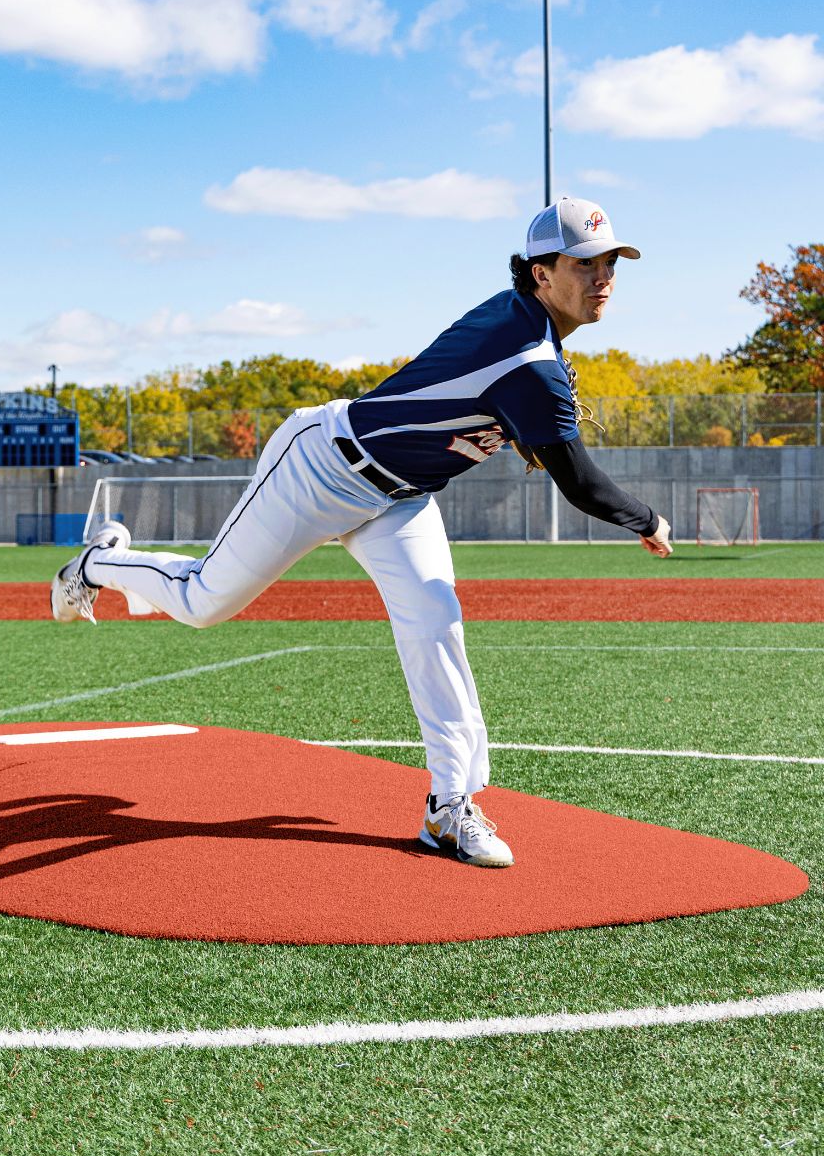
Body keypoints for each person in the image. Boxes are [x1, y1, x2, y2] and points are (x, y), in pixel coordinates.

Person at [50, 196, 672, 869]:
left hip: (400, 498)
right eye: (584, 262)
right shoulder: (529, 360)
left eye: (610, 260)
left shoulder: (527, 329)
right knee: (204, 602)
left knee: (436, 620)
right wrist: (648, 520)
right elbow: (581, 484)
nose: (602, 273)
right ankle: (96, 564)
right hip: (321, 467)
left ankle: (448, 808)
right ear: (541, 273)